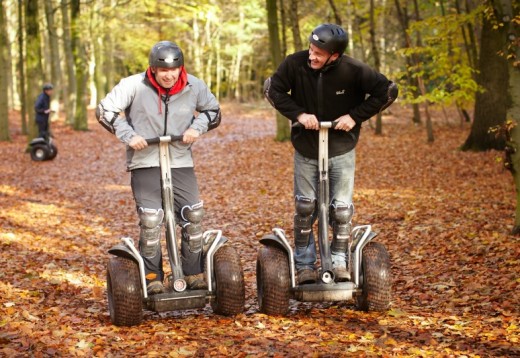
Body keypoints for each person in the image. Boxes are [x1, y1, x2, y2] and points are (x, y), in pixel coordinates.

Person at [264, 23, 397, 285]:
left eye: (318, 53)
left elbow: (388, 91)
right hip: (306, 147)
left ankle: (338, 261)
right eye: (311, 49)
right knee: (305, 207)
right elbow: (272, 90)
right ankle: (304, 265)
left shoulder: (353, 70)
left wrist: (355, 117)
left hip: (341, 148)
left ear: (334, 56)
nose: (311, 56)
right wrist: (299, 114)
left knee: (341, 210)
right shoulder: (295, 64)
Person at [96, 41, 221, 294]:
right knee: (152, 220)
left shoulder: (194, 85)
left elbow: (213, 111)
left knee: (193, 215)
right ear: (152, 69)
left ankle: (194, 273)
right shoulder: (133, 85)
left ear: (180, 67)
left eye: (174, 70)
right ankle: (152, 277)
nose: (169, 75)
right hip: (145, 160)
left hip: (180, 159)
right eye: (162, 70)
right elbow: (105, 110)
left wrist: (195, 128)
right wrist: (128, 134)